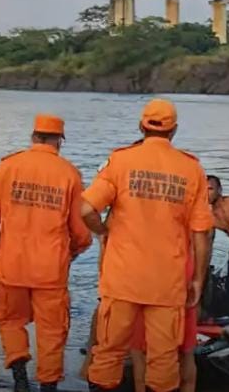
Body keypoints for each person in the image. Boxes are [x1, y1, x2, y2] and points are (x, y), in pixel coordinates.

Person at [81, 98, 213, 392]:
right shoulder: (191, 169)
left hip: (122, 280)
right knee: (164, 360)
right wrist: (198, 280)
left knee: (108, 353)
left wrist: (104, 232)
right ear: (174, 130)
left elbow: (86, 210)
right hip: (167, 283)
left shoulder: (120, 161)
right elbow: (201, 233)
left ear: (141, 126)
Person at [0, 114, 93, 392]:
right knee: (52, 330)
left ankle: (19, 377)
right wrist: (72, 253)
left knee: (10, 320)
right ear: (59, 141)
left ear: (33, 137)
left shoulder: (9, 167)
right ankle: (48, 386)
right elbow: (81, 231)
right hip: (51, 270)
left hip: (12, 264)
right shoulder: (69, 174)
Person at [128, 243, 197, 392]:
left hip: (142, 280)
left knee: (141, 356)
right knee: (185, 353)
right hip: (178, 275)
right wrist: (198, 279)